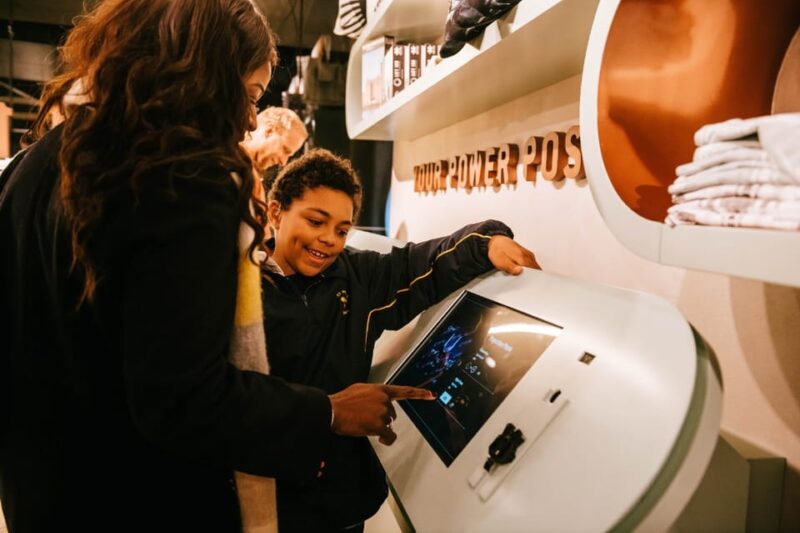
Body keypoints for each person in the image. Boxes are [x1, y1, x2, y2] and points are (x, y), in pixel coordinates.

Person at [0, 1, 430, 531]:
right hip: (135, 497)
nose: (250, 118)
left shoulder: (35, 163)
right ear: (203, 73)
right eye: (249, 95)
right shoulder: (180, 182)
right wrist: (329, 412)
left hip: (43, 490)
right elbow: (183, 396)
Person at [262, 148, 540, 531]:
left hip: (336, 503)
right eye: (316, 221)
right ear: (276, 212)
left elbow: (425, 263)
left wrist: (487, 243)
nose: (328, 240)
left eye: (342, 230)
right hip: (262, 496)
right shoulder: (238, 287)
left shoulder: (357, 275)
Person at [240, 106, 308, 191]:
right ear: (269, 131)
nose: (283, 162)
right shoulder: (226, 163)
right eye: (285, 149)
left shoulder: (252, 178)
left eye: (289, 156)